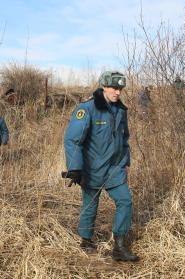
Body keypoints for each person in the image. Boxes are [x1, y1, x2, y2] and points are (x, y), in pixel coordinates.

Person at [63, 71, 139, 262]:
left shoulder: (121, 110)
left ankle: (119, 247)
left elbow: (124, 139)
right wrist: (75, 168)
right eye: (114, 88)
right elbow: (73, 140)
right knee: (90, 205)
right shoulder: (87, 109)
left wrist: (126, 162)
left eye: (120, 88)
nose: (118, 92)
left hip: (115, 168)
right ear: (104, 86)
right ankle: (86, 240)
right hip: (92, 168)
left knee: (125, 201)